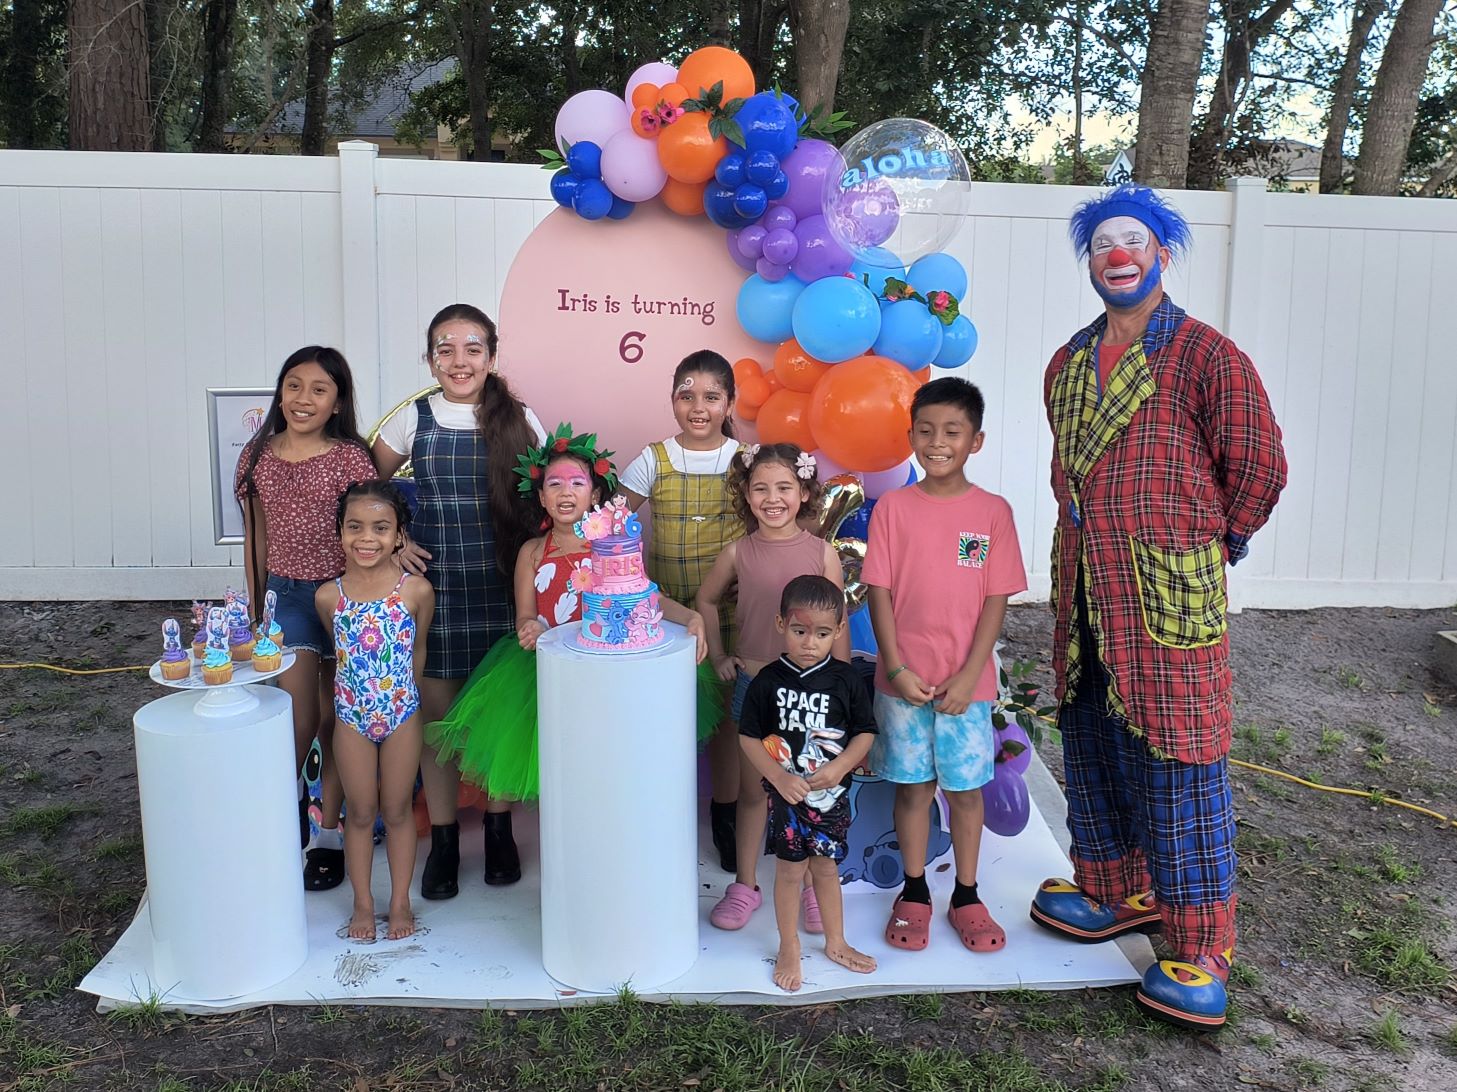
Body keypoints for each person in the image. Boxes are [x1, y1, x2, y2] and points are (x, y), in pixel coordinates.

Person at [1028, 184, 1287, 1030]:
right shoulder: (1067, 362)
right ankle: (1114, 886)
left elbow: (1258, 466)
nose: (1117, 255)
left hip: (1167, 593)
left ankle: (1201, 945)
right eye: (1102, 243)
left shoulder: (1207, 355)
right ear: (1089, 261)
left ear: (1161, 254)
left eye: (1133, 241)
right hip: (1085, 587)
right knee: (1091, 735)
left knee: (1180, 757)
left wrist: (1208, 544)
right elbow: (1067, 471)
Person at [427, 425, 710, 802]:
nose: (566, 492)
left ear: (595, 495)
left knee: (607, 754)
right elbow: (525, 615)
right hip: (550, 669)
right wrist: (528, 627)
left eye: (577, 483)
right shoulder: (532, 552)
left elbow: (644, 598)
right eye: (555, 484)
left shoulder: (612, 548)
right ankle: (511, 827)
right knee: (551, 757)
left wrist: (690, 616)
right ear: (541, 497)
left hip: (607, 670)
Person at [373, 304, 548, 899]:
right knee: (438, 720)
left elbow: (555, 490)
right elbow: (369, 494)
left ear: (491, 358)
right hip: (436, 590)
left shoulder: (520, 419)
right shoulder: (412, 418)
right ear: (430, 361)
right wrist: (396, 540)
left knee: (500, 712)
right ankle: (445, 840)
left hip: (506, 586)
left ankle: (499, 828)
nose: (459, 361)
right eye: (445, 350)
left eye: (472, 348)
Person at [863, 377, 1027, 955]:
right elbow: (878, 592)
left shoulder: (992, 513)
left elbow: (995, 601)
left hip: (966, 688)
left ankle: (966, 894)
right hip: (903, 685)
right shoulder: (893, 508)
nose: (937, 442)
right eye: (926, 431)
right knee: (913, 789)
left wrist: (969, 676)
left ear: (975, 441)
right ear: (910, 436)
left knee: (964, 792)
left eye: (952, 432)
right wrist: (896, 668)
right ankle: (913, 891)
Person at [234, 346, 377, 892]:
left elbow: (370, 525)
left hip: (345, 597)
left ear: (337, 402)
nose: (303, 399)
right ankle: (286, 805)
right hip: (288, 598)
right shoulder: (257, 457)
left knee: (337, 719)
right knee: (297, 717)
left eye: (319, 389)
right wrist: (258, 611)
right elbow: (256, 538)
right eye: (293, 385)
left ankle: (329, 835)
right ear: (279, 393)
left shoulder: (350, 459)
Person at [697, 443, 849, 930]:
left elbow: (839, 625)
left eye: (784, 487)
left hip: (812, 697)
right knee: (753, 793)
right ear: (746, 494)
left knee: (808, 792)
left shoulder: (822, 553)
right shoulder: (738, 552)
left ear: (804, 492)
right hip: (757, 689)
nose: (772, 498)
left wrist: (841, 691)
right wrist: (719, 656)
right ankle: (745, 885)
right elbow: (705, 600)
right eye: (760, 488)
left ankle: (810, 887)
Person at [619, 351, 742, 871]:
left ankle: (726, 816)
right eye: (686, 395)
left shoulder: (745, 460)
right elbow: (609, 526)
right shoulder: (653, 460)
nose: (698, 407)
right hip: (665, 616)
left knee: (728, 723)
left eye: (711, 397)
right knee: (664, 719)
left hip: (730, 616)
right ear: (672, 399)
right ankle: (660, 817)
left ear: (729, 403)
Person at [737, 574, 878, 992]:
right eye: (799, 631)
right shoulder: (768, 681)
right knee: (789, 872)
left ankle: (836, 942)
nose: (809, 643)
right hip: (787, 799)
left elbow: (865, 732)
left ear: (839, 630)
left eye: (821, 634)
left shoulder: (845, 680)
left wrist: (841, 767)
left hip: (830, 798)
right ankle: (789, 945)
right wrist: (778, 776)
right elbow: (748, 737)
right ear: (781, 624)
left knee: (826, 869)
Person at [316, 481, 434, 941]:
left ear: (400, 535)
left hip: (402, 713)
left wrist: (407, 702)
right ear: (340, 532)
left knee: (398, 809)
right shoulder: (329, 597)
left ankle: (400, 901)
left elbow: (417, 651)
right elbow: (339, 654)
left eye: (381, 528)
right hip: (352, 717)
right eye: (355, 527)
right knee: (361, 813)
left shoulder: (415, 591)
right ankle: (363, 904)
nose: (367, 538)